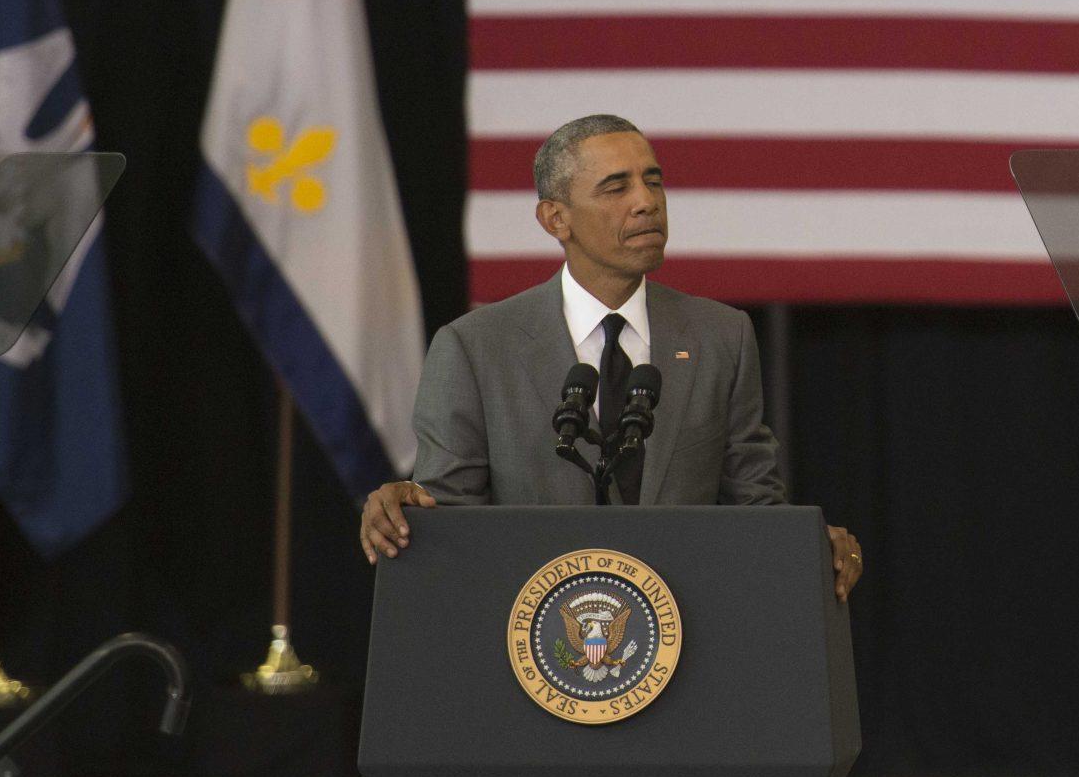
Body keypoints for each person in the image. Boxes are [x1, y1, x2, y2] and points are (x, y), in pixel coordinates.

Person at [359, 114, 864, 600]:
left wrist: (810, 546)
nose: (647, 202)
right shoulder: (474, 347)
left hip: (685, 639)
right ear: (556, 218)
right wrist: (406, 504)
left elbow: (754, 505)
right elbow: (449, 522)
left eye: (654, 181)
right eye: (617, 188)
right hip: (531, 647)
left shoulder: (721, 336)